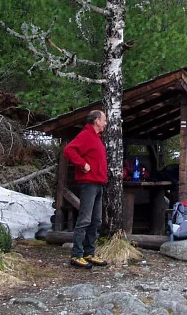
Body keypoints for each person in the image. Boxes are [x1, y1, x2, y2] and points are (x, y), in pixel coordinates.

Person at [63, 109, 109, 269]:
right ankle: (76, 255)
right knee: (85, 219)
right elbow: (69, 150)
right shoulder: (86, 135)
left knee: (96, 220)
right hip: (88, 183)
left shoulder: (96, 137)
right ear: (96, 121)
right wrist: (82, 164)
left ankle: (89, 253)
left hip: (98, 183)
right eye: (104, 120)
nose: (105, 123)